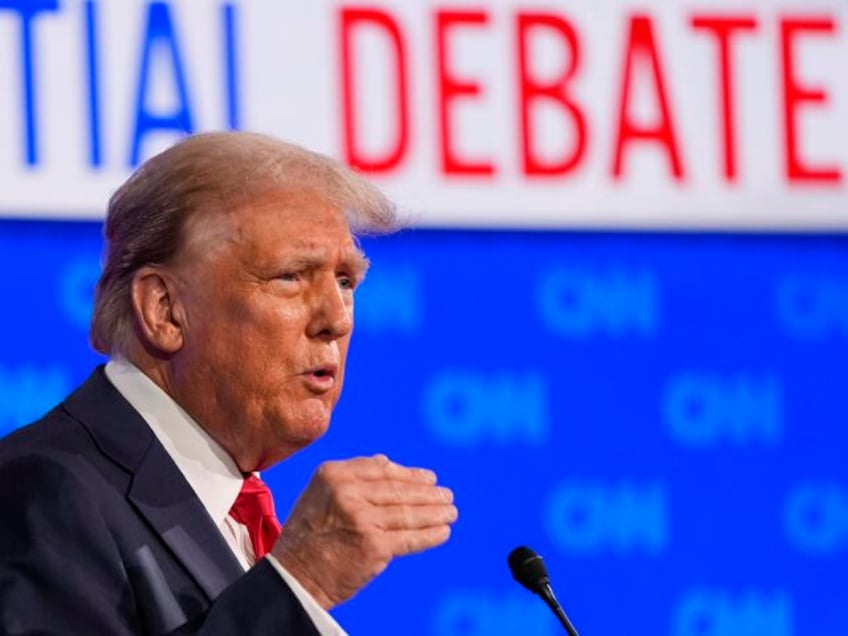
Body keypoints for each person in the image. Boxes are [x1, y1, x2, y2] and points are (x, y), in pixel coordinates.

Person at [0, 132, 458, 634]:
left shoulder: (233, 508)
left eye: (346, 281)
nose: (337, 318)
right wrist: (300, 584)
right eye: (291, 276)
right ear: (166, 311)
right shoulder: (41, 492)